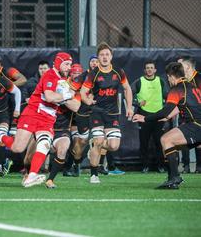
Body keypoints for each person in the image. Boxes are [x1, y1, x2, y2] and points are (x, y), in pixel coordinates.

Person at [0, 52, 75, 187]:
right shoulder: (50, 75)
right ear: (58, 63)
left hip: (48, 118)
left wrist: (71, 96)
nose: (69, 67)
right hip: (33, 113)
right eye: (66, 64)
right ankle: (1, 136)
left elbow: (73, 104)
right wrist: (67, 95)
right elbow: (49, 97)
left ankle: (31, 176)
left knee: (44, 145)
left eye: (70, 65)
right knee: (17, 148)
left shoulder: (64, 80)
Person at [133, 62, 201, 189]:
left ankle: (175, 177)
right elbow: (181, 107)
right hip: (196, 125)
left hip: (196, 125)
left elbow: (165, 110)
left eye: (168, 77)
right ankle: (172, 178)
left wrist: (145, 118)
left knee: (165, 139)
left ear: (171, 76)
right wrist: (167, 116)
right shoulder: (192, 86)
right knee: (169, 146)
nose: (168, 80)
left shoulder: (178, 88)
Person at [80, 42, 133, 184]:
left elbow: (127, 88)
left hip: (112, 114)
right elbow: (83, 92)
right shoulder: (93, 73)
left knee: (114, 146)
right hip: (97, 112)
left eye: (107, 54)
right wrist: (88, 101)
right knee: (98, 142)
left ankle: (96, 144)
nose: (104, 57)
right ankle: (94, 175)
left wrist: (129, 107)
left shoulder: (118, 71)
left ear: (111, 56)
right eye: (102, 55)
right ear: (98, 57)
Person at [131, 61, 168, 173]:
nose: (149, 69)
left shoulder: (161, 81)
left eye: (151, 68)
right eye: (147, 68)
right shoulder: (139, 81)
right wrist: (137, 102)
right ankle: (145, 166)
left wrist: (166, 112)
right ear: (144, 70)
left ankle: (161, 166)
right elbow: (128, 94)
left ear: (155, 70)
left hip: (158, 116)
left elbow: (168, 96)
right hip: (143, 116)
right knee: (144, 142)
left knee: (159, 142)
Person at [177, 56, 201, 173]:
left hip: (198, 118)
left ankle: (199, 167)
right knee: (182, 141)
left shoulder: (199, 79)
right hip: (185, 117)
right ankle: (185, 165)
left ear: (187, 67)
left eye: (179, 66)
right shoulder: (181, 81)